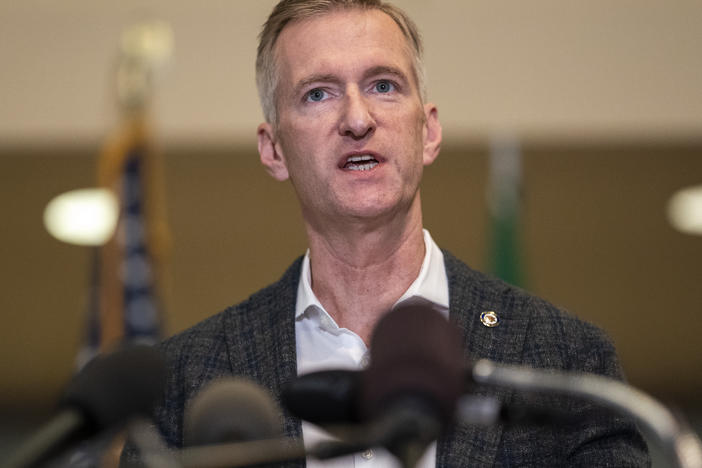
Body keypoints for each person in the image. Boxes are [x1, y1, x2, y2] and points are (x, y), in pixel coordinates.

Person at [126, 0, 650, 466]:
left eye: (383, 85)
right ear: (273, 149)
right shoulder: (186, 383)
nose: (357, 119)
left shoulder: (564, 362)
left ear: (430, 130)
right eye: (317, 94)